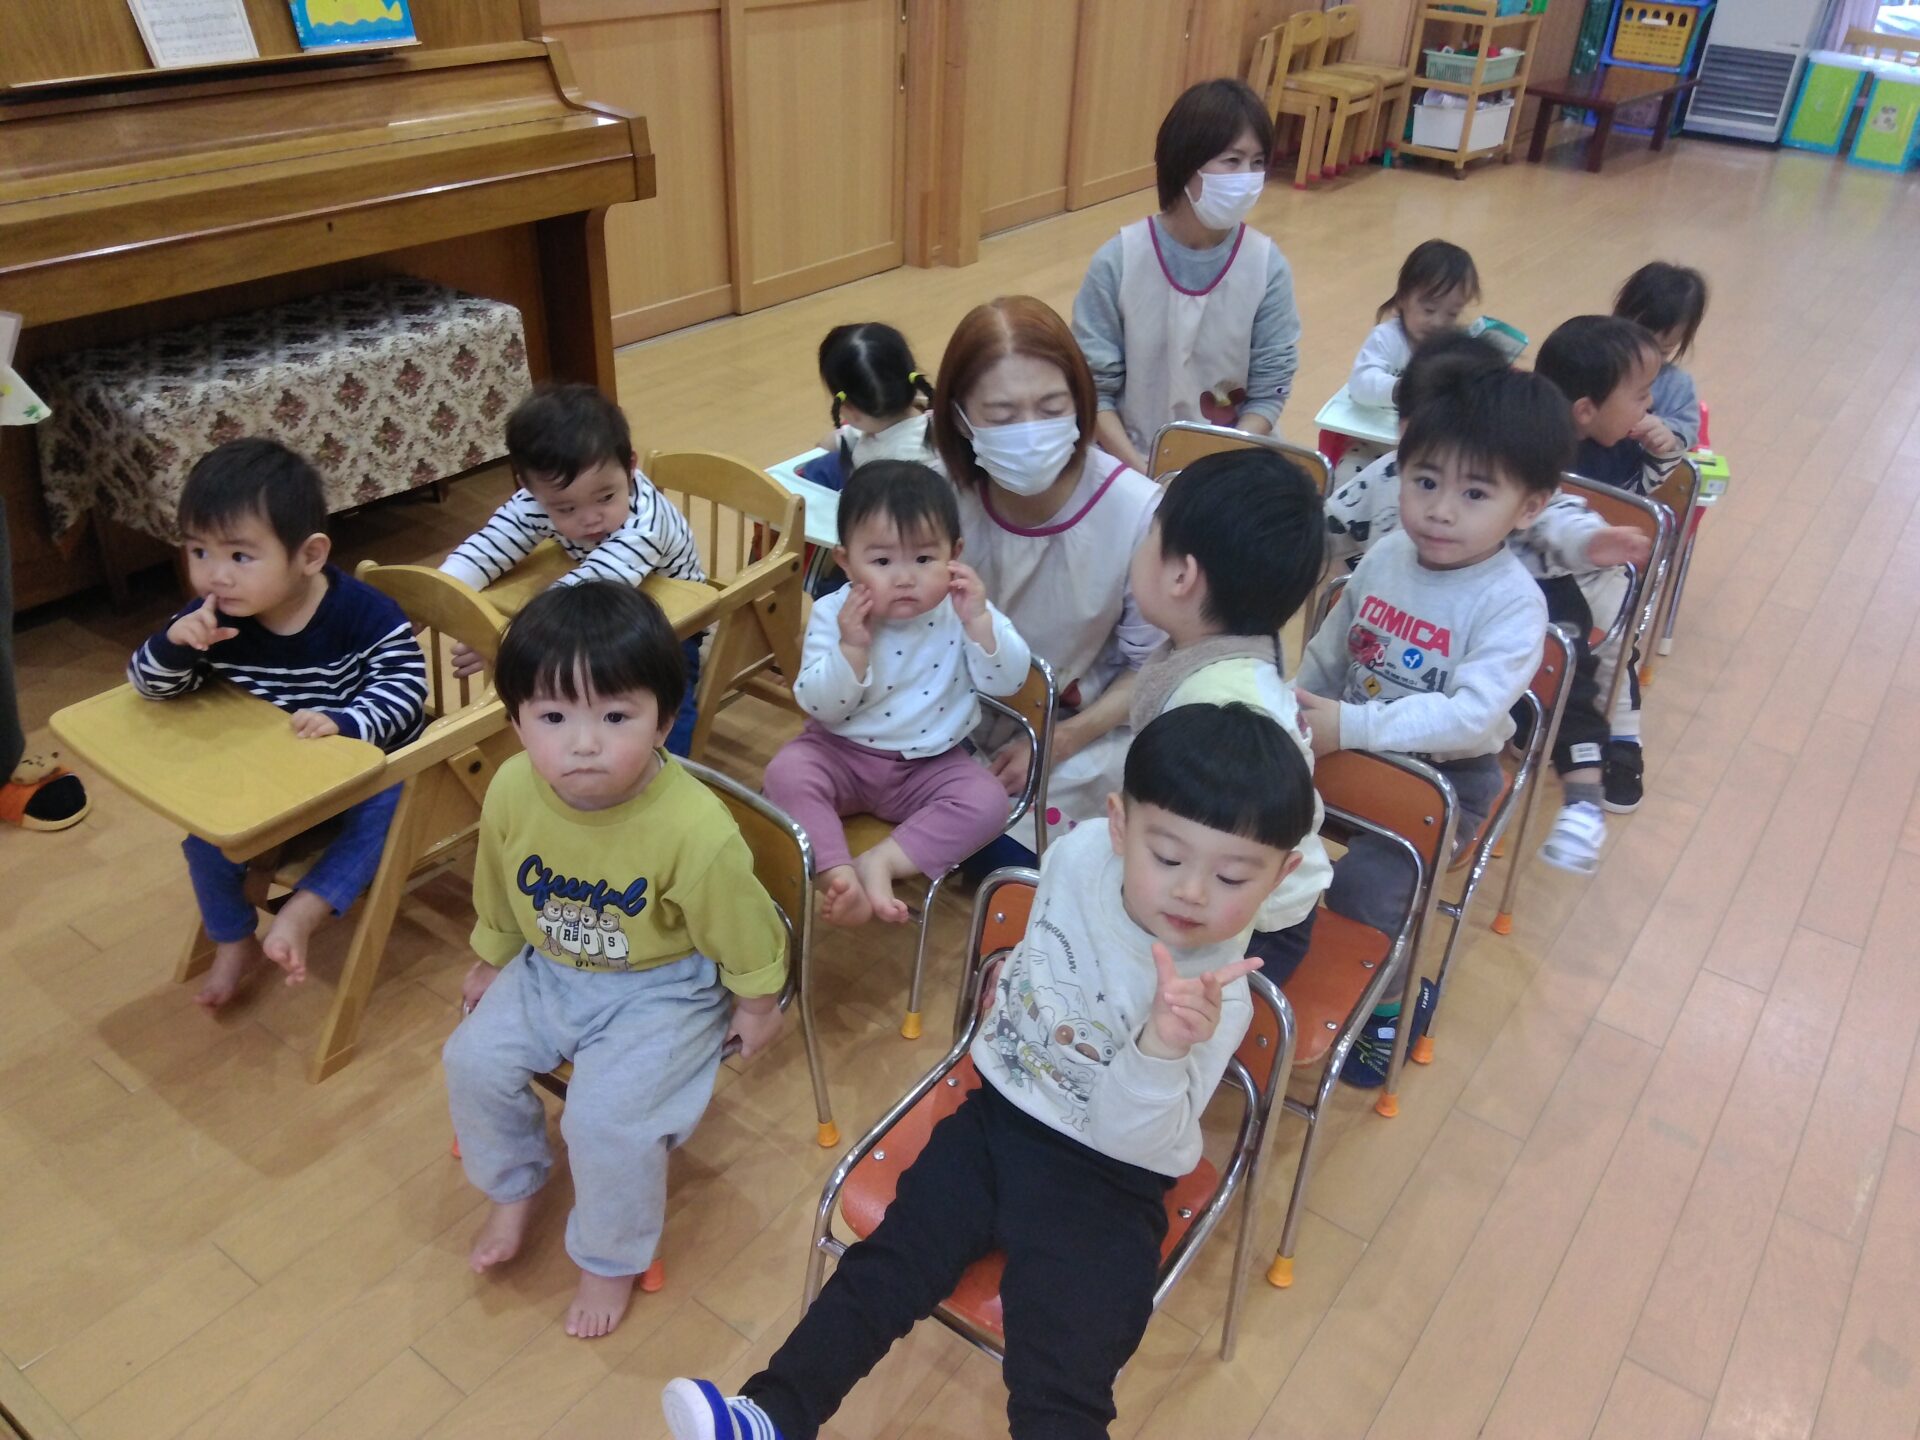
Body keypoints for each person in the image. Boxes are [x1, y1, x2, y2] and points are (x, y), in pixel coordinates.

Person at [661, 702, 1316, 1440]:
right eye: (1167, 858)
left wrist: (1161, 1047)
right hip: (998, 1118)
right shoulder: (1079, 856)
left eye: (1232, 876)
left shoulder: (1216, 997)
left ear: (1280, 875)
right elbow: (1052, 942)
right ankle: (771, 1417)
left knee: (1063, 1373)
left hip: (1111, 1179)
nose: (1192, 891)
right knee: (885, 1270)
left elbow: (1135, 1137)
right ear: (1119, 826)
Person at [442, 581, 787, 1341]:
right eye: (554, 717)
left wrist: (760, 1003)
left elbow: (744, 925)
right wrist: (493, 957)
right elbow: (497, 881)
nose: (584, 743)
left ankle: (610, 1257)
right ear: (516, 721)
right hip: (550, 967)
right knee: (470, 1061)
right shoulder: (512, 789)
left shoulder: (695, 829)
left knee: (606, 1121)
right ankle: (514, 1186)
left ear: (664, 720)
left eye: (615, 716)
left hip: (663, 989)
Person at [1295, 365, 1567, 1085]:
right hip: (1342, 742)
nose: (1441, 511)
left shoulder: (1511, 603)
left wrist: (1350, 725)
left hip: (1447, 780)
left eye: (1475, 494)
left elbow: (1471, 717)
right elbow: (1331, 650)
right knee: (1253, 835)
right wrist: (1296, 707)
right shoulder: (1388, 554)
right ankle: (1272, 962)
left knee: (1369, 891)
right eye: (1424, 481)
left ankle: (1390, 1003)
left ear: (1528, 506)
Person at [127, 438, 428, 1008]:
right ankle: (233, 940)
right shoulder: (211, 618)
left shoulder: (363, 613)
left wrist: (347, 722)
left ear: (309, 555)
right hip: (281, 778)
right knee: (206, 840)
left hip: (367, 769)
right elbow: (150, 687)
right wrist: (173, 646)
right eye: (198, 551)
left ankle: (305, 912)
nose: (216, 576)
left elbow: (407, 689)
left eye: (240, 557)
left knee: (392, 811)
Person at [931, 295, 1165, 856]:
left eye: (1052, 407)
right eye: (1002, 416)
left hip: (1078, 724)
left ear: (1080, 404)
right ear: (960, 418)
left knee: (1000, 853)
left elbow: (1153, 667)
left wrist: (1059, 741)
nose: (1031, 434)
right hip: (949, 715)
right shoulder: (937, 494)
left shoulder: (1134, 511)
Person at [763, 460, 1030, 927]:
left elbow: (1007, 682)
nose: (905, 578)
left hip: (930, 763)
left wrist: (980, 622)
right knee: (785, 774)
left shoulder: (964, 610)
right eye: (882, 562)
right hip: (838, 752)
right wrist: (852, 649)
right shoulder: (834, 613)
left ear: (955, 554)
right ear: (846, 562)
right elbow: (820, 705)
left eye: (924, 559)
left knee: (987, 802)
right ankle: (838, 876)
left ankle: (882, 862)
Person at [1125, 448, 1331, 980]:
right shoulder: (1225, 650)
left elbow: (1224, 849)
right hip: (1216, 879)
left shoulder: (1214, 704)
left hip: (1251, 922)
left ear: (1181, 575)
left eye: (1149, 537)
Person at [438, 383, 707, 754]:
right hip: (600, 612)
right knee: (567, 692)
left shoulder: (644, 525)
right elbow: (489, 547)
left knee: (664, 698)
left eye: (606, 497)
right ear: (527, 486)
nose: (590, 518)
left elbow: (585, 589)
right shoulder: (537, 501)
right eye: (565, 509)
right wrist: (437, 593)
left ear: (630, 466)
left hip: (670, 626)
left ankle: (665, 772)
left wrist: (501, 638)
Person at [1072, 77, 1301, 475]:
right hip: (1128, 462)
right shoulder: (1119, 261)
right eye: (1232, 160)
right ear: (1185, 160)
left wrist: (1214, 473)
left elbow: (1269, 392)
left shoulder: (1267, 266)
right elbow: (1093, 391)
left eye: (1258, 162)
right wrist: (1140, 472)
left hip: (1231, 462)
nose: (1248, 177)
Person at [1536, 315, 1673, 833]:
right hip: (1539, 575)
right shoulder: (1533, 445)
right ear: (1585, 410)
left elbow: (1647, 492)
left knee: (1616, 650)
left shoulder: (1628, 445)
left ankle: (1624, 740)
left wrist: (1663, 451)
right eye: (1640, 396)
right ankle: (1530, 714)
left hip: (1601, 577)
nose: (1649, 406)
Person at [1337, 239, 1481, 484]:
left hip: (1432, 449)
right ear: (1403, 298)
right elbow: (1361, 382)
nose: (1439, 322)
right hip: (1374, 443)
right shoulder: (1386, 338)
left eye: (1452, 314)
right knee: (1347, 475)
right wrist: (1399, 389)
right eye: (1429, 310)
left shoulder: (1455, 347)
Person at [810, 322, 938, 484]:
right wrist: (838, 439)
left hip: (878, 493)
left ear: (848, 409)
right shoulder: (927, 414)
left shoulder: (884, 462)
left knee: (816, 470)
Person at [1613, 262, 1709, 453]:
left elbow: (1689, 429)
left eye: (1662, 351)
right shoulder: (1595, 360)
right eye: (1636, 342)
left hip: (1645, 466)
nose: (1645, 357)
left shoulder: (1675, 384)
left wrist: (1667, 431)